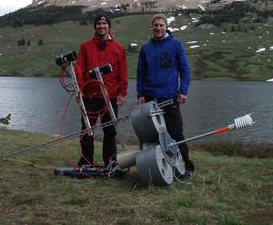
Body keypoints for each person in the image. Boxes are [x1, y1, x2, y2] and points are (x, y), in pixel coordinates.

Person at [137, 13, 195, 177]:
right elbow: (140, 73)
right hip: (149, 98)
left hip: (169, 97)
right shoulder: (145, 48)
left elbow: (185, 70)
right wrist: (140, 94)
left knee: (176, 133)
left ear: (166, 27)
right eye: (156, 25)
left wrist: (183, 91)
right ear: (152, 27)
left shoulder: (175, 45)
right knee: (152, 135)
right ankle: (159, 167)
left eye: (161, 25)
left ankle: (187, 165)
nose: (158, 28)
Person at [74, 13, 128, 168]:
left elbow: (123, 72)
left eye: (104, 23)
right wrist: (80, 90)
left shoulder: (118, 48)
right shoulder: (86, 46)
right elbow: (79, 70)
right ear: (95, 26)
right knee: (86, 130)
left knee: (110, 131)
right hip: (90, 95)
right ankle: (86, 162)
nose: (102, 26)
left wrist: (122, 93)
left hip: (110, 95)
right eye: (99, 23)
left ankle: (110, 162)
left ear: (109, 26)